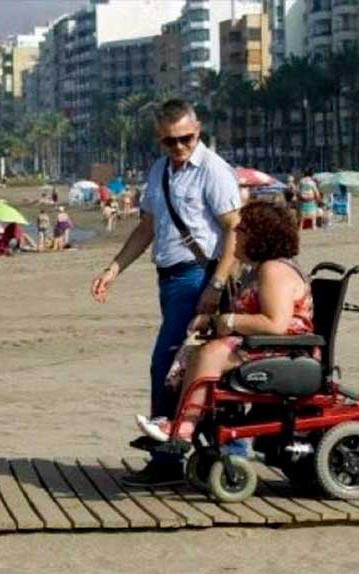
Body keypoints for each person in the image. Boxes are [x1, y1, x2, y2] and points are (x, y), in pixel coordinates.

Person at [90, 98, 242, 487]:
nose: (179, 148)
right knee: (185, 367)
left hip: (197, 276)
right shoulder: (160, 171)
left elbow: (233, 231)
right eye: (169, 141)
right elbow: (146, 228)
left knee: (166, 363)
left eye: (186, 139)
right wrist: (114, 268)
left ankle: (167, 459)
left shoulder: (213, 170)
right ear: (159, 139)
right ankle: (200, 447)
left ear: (198, 130)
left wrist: (217, 284)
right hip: (169, 278)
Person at [138, 201, 315, 442]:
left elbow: (276, 324)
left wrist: (229, 321)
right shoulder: (258, 270)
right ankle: (172, 417)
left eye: (240, 230)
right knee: (189, 349)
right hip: (264, 345)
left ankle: (186, 426)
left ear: (258, 236)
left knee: (210, 354)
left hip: (285, 348)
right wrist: (211, 321)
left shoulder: (274, 270)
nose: (234, 235)